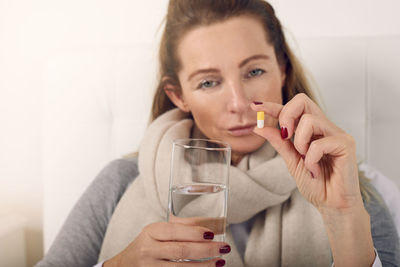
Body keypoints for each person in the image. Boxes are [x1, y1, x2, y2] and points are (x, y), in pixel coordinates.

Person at [36, 0, 400, 266]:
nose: (239, 103)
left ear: (283, 71)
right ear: (178, 96)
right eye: (209, 82)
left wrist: (343, 215)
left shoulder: (351, 184)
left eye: (254, 72)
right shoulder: (119, 182)